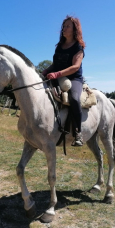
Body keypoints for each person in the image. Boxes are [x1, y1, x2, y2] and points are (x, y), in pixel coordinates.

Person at [42, 15, 85, 146]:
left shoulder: (78, 47)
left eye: (67, 26)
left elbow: (75, 66)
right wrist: (45, 71)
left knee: (75, 98)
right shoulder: (59, 46)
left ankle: (78, 132)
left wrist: (57, 74)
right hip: (57, 76)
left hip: (73, 79)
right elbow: (55, 64)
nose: (64, 28)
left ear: (74, 29)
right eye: (63, 26)